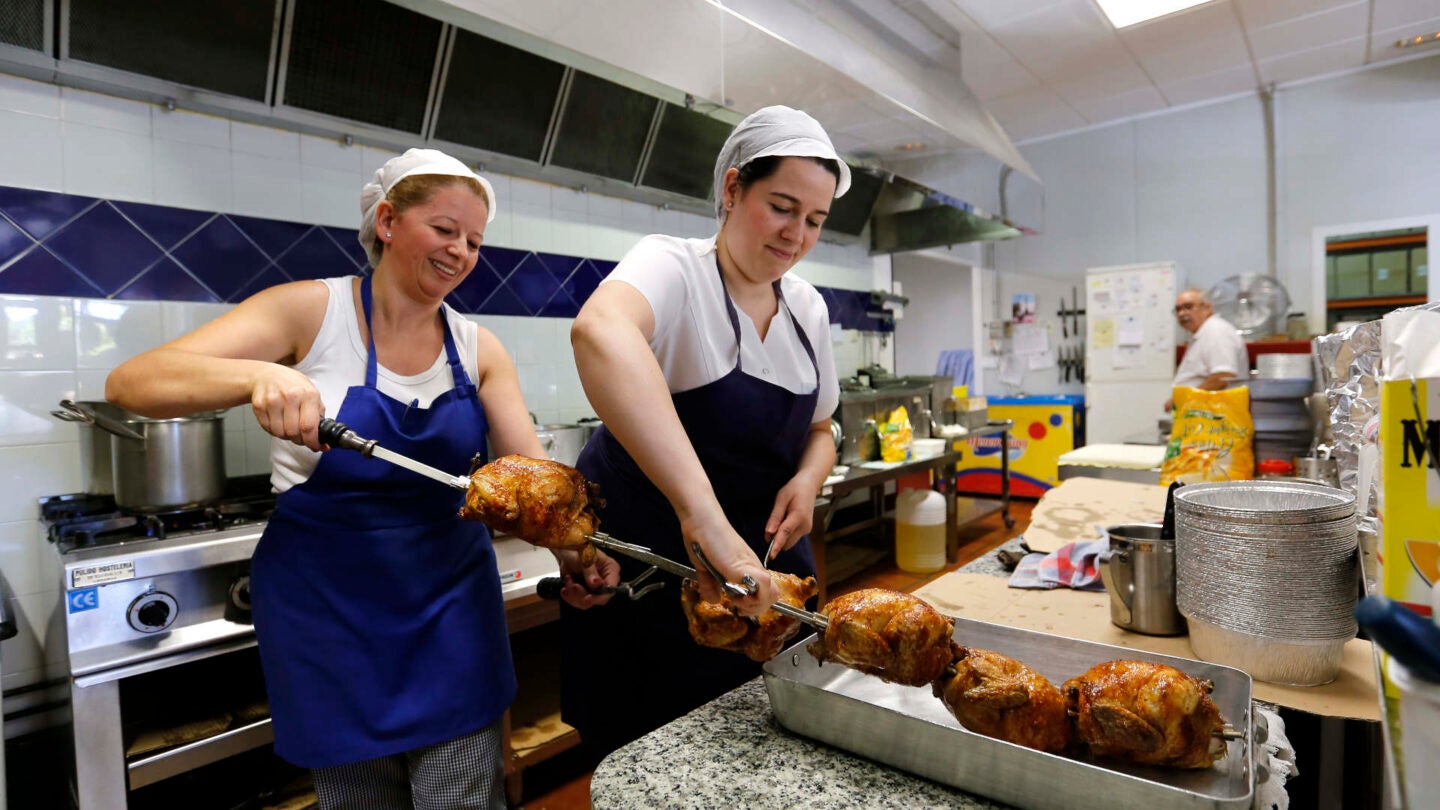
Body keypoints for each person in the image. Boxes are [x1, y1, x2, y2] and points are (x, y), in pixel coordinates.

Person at [105, 148, 614, 809]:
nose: (461, 251)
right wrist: (259, 375)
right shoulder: (309, 313)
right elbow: (132, 383)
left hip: (450, 613)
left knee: (461, 799)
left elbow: (533, 489)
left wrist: (578, 552)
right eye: (445, 229)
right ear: (388, 221)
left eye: (473, 240)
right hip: (327, 614)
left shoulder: (478, 347)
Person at [560, 105, 846, 757]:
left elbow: (822, 427)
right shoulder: (675, 267)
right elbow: (599, 331)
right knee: (649, 766)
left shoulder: (807, 306)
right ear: (732, 188)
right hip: (650, 583)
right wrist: (702, 515)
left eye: (814, 220)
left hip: (763, 584)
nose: (796, 234)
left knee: (775, 754)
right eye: (782, 207)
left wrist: (808, 480)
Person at [1166, 287, 1249, 411]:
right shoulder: (1202, 333)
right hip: (1201, 414)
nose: (1182, 314)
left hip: (1217, 416)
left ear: (1207, 308)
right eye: (1178, 309)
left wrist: (1186, 399)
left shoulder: (1216, 331)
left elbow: (1223, 376)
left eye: (1188, 307)